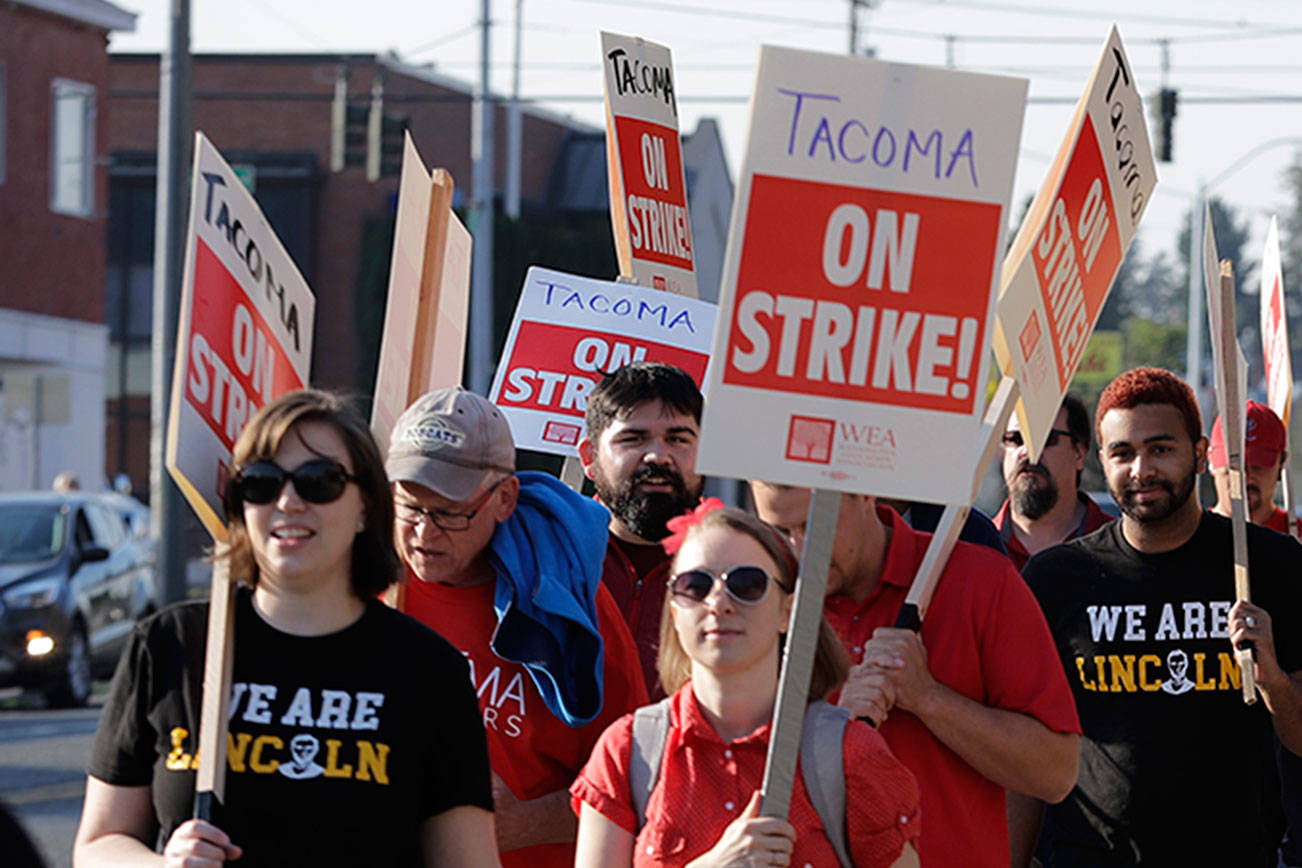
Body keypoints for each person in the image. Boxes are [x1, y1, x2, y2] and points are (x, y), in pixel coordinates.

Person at [73, 389, 499, 867]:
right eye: (260, 481)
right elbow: (98, 845)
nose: (288, 500)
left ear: (365, 506)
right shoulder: (171, 644)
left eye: (320, 481)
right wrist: (162, 865)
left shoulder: (427, 669)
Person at [1021, 367, 1302, 865]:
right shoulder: (1056, 580)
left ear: (1198, 455)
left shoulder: (1273, 566)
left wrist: (1274, 683)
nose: (1141, 469)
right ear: (1101, 461)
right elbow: (1026, 751)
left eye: (1161, 449)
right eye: (1123, 453)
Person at [571, 503, 921, 867]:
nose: (719, 603)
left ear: (788, 611)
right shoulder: (627, 752)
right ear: (674, 612)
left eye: (747, 584)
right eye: (695, 586)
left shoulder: (849, 753)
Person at [750, 482, 1080, 868]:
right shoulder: (758, 601)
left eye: (814, 525)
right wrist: (830, 722)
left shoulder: (979, 579)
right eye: (780, 532)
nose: (801, 551)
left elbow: (1056, 772)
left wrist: (928, 698)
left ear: (866, 493)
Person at [386, 387, 648, 868]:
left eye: (449, 512)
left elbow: (640, 783)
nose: (424, 533)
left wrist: (531, 819)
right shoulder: (365, 587)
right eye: (410, 507)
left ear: (505, 498)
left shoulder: (567, 606)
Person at [579, 362, 706, 696]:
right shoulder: (552, 550)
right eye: (633, 439)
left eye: (678, 439)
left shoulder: (736, 565)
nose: (657, 456)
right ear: (589, 457)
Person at [993, 393, 1113, 571]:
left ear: (1079, 454)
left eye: (1044, 439)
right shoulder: (976, 544)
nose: (1027, 452)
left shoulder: (1117, 550)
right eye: (1015, 439)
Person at [1208, 399, 1293, 534]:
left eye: (1257, 467)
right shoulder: (1183, 539)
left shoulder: (1297, 538)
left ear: (1281, 463)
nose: (1244, 477)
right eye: (1233, 467)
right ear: (1211, 460)